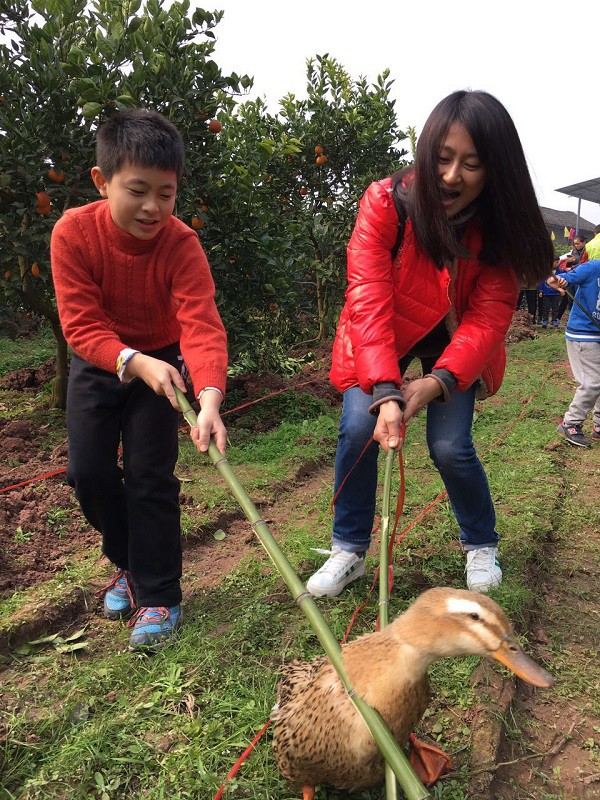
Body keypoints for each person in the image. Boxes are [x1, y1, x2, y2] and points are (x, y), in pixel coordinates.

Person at [306, 90, 554, 598]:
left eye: (471, 163)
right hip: (385, 331)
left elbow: (488, 317)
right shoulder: (386, 203)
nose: (450, 176)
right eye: (442, 159)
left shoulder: (500, 227)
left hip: (456, 338)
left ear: (495, 170)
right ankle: (348, 550)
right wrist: (385, 389)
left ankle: (481, 544)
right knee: (358, 428)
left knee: (449, 445)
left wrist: (437, 382)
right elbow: (367, 296)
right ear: (425, 153)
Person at [51, 109, 228, 650]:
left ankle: (160, 594)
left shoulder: (181, 245)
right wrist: (133, 361)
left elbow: (200, 322)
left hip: (165, 362)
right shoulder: (74, 234)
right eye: (138, 190)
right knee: (88, 472)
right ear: (102, 183)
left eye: (167, 194)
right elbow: (80, 325)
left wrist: (209, 399)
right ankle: (126, 565)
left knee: (151, 477)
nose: (153, 207)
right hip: (102, 360)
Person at [549, 262, 600, 447]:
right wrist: (558, 282)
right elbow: (561, 280)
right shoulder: (593, 267)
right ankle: (570, 423)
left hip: (597, 333)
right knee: (593, 381)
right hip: (583, 333)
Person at [557, 235, 587, 322]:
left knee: (579, 297)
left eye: (578, 244)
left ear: (584, 242)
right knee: (570, 298)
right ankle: (572, 317)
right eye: (575, 244)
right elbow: (564, 261)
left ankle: (581, 318)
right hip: (571, 276)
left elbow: (585, 263)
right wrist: (568, 263)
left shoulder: (587, 251)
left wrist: (573, 267)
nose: (576, 246)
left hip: (581, 277)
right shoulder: (573, 251)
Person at [538, 255, 562, 327]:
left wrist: (561, 289)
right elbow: (541, 281)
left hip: (556, 293)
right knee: (546, 307)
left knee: (555, 307)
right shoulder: (545, 270)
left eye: (558, 262)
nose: (556, 264)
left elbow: (562, 280)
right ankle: (545, 320)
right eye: (555, 262)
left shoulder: (560, 271)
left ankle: (554, 320)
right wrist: (541, 291)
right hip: (546, 292)